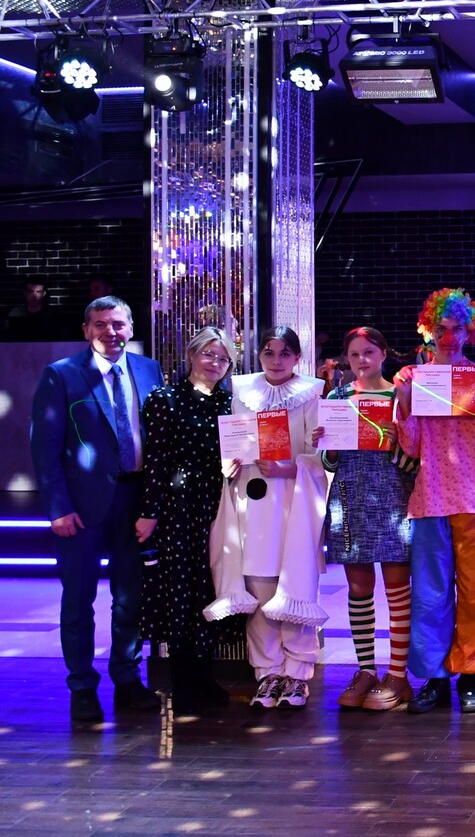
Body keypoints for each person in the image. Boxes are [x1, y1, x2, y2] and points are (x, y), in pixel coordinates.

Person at [30, 295, 164, 722]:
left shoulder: (149, 369)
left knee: (130, 599)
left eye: (118, 324)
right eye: (101, 324)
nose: (111, 332)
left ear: (131, 328)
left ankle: (127, 677)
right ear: (87, 330)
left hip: (135, 501)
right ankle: (82, 686)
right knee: (78, 598)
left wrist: (153, 505)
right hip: (80, 507)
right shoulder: (62, 374)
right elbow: (44, 448)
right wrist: (58, 508)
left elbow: (158, 441)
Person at [393, 289, 475, 715]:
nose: (449, 337)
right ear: (428, 329)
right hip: (430, 497)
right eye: (441, 328)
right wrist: (405, 403)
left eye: (457, 328)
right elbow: (411, 445)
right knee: (430, 593)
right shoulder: (415, 377)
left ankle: (471, 674)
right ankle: (436, 678)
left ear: (469, 331)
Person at [205, 326, 326, 710]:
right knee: (259, 587)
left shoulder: (311, 393)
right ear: (258, 355)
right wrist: (230, 462)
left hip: (293, 501)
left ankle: (298, 672)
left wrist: (289, 468)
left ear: (297, 357)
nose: (276, 361)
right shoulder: (242, 391)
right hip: (252, 500)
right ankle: (267, 671)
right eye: (269, 353)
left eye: (285, 353)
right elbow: (234, 441)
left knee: (295, 582)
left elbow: (320, 455)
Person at [314, 327, 417, 712]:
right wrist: (326, 442)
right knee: (358, 590)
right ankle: (366, 670)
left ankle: (398, 674)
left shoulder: (400, 396)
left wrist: (398, 440)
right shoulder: (337, 398)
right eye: (355, 354)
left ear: (384, 354)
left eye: (369, 352)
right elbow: (329, 463)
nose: (362, 360)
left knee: (397, 589)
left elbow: (416, 461)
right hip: (350, 498)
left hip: (393, 497)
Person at [138, 326, 233, 713]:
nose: (215, 362)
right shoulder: (165, 399)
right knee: (179, 590)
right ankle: (182, 678)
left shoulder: (228, 403)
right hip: (178, 505)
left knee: (210, 587)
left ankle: (204, 672)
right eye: (208, 354)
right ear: (192, 355)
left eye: (223, 358)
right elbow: (156, 459)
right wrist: (149, 512)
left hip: (219, 502)